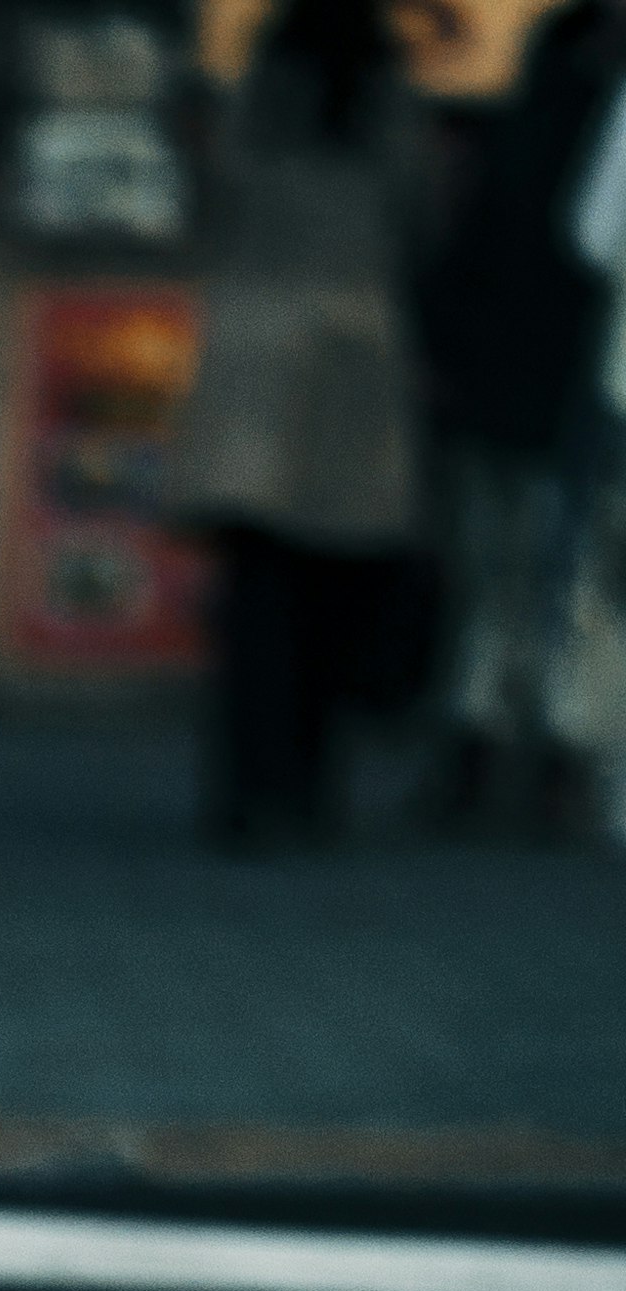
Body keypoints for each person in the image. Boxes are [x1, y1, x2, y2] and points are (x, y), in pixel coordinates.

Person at [172, 0, 448, 848]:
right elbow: (423, 219)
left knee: (256, 596)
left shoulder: (258, 109)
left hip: (256, 356)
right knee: (333, 593)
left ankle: (245, 788)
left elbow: (211, 198)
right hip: (354, 362)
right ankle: (309, 789)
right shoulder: (390, 115)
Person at [416, 0, 626, 829]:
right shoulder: (594, 129)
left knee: (493, 576)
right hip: (575, 384)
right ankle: (559, 754)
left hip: (506, 390)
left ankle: (479, 743)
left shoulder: (518, 137)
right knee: (574, 583)